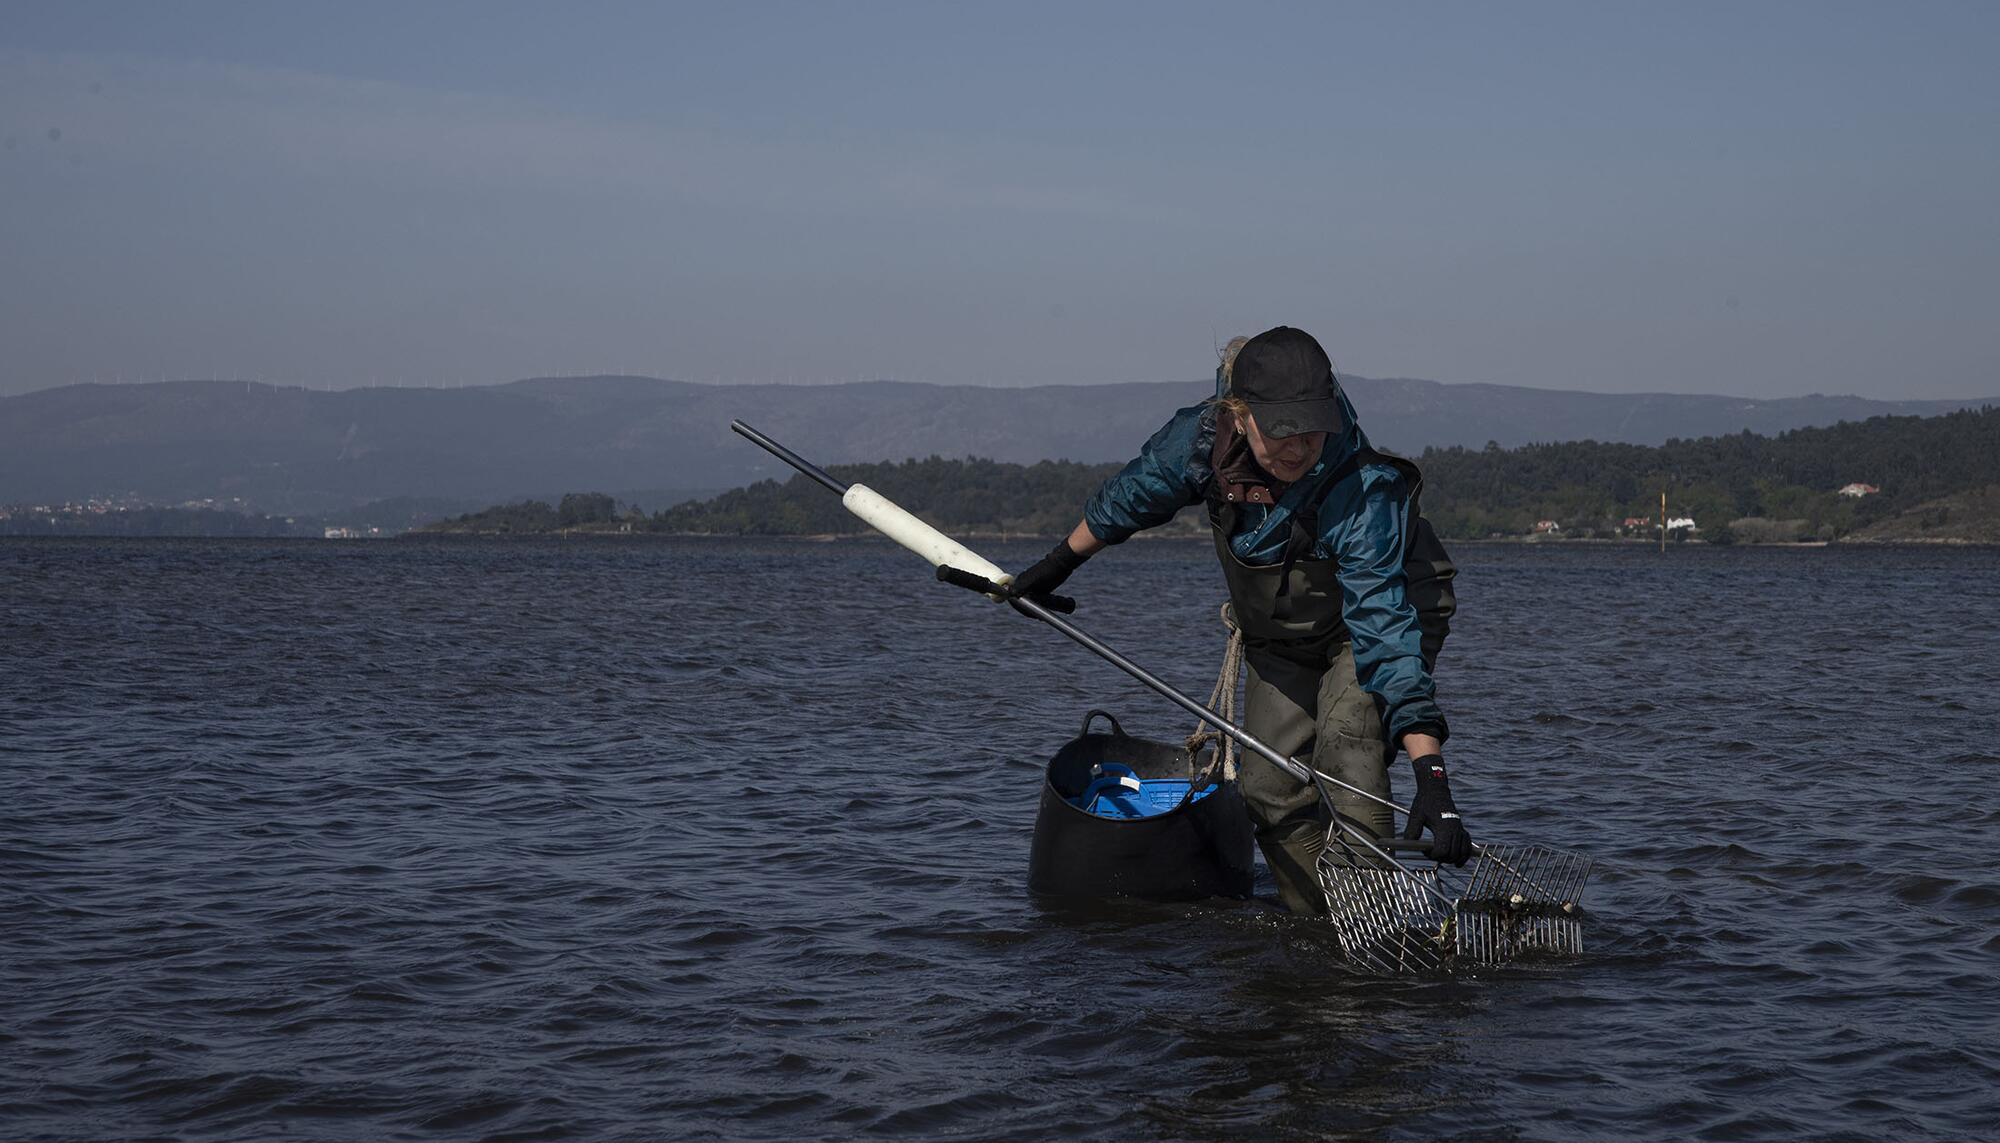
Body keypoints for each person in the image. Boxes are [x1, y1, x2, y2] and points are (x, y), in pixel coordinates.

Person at [1012, 325, 1472, 915]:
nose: (1299, 446)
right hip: (1281, 631)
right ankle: (1321, 926)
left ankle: (1378, 931)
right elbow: (1131, 496)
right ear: (1238, 413)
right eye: (1280, 429)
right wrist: (1055, 566)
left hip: (1380, 619)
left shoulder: (1361, 490)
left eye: (1311, 427)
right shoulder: (1200, 442)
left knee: (1348, 752)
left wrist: (1432, 779)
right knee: (1268, 787)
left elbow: (1384, 630)